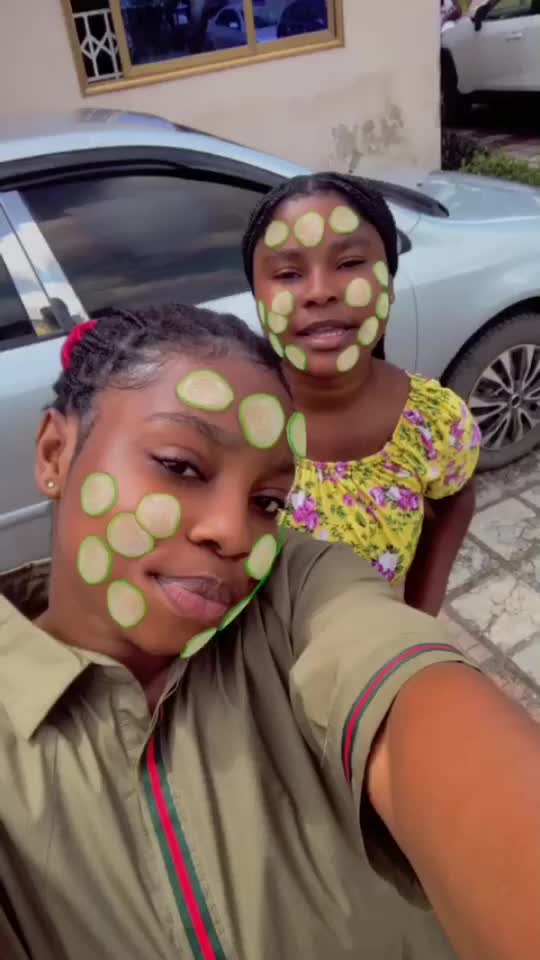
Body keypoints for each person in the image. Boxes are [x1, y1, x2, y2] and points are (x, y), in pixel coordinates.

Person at [1, 303, 540, 960]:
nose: (234, 532)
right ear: (55, 452)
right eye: (180, 465)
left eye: (268, 503)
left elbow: (422, 719)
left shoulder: (296, 593)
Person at [242, 173, 480, 615]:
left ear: (389, 285)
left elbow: (456, 499)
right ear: (258, 298)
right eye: (289, 273)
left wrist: (419, 617)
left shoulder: (433, 422)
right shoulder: (227, 421)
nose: (320, 292)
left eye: (349, 263)